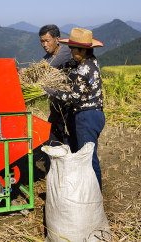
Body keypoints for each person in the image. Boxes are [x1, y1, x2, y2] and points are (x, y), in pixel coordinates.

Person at [43, 27, 105, 190]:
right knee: (83, 153)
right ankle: (85, 188)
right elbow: (68, 66)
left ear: (83, 50)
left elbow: (72, 97)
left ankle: (95, 192)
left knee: (88, 157)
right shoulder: (89, 61)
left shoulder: (84, 70)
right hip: (90, 115)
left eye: (73, 49)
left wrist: (50, 91)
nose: (70, 52)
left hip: (87, 116)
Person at [38, 25, 75, 148]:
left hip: (69, 104)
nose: (44, 44)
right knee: (52, 136)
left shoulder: (65, 52)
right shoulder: (46, 58)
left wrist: (32, 71)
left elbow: (45, 67)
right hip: (56, 104)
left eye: (47, 40)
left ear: (57, 39)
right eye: (42, 41)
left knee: (69, 137)